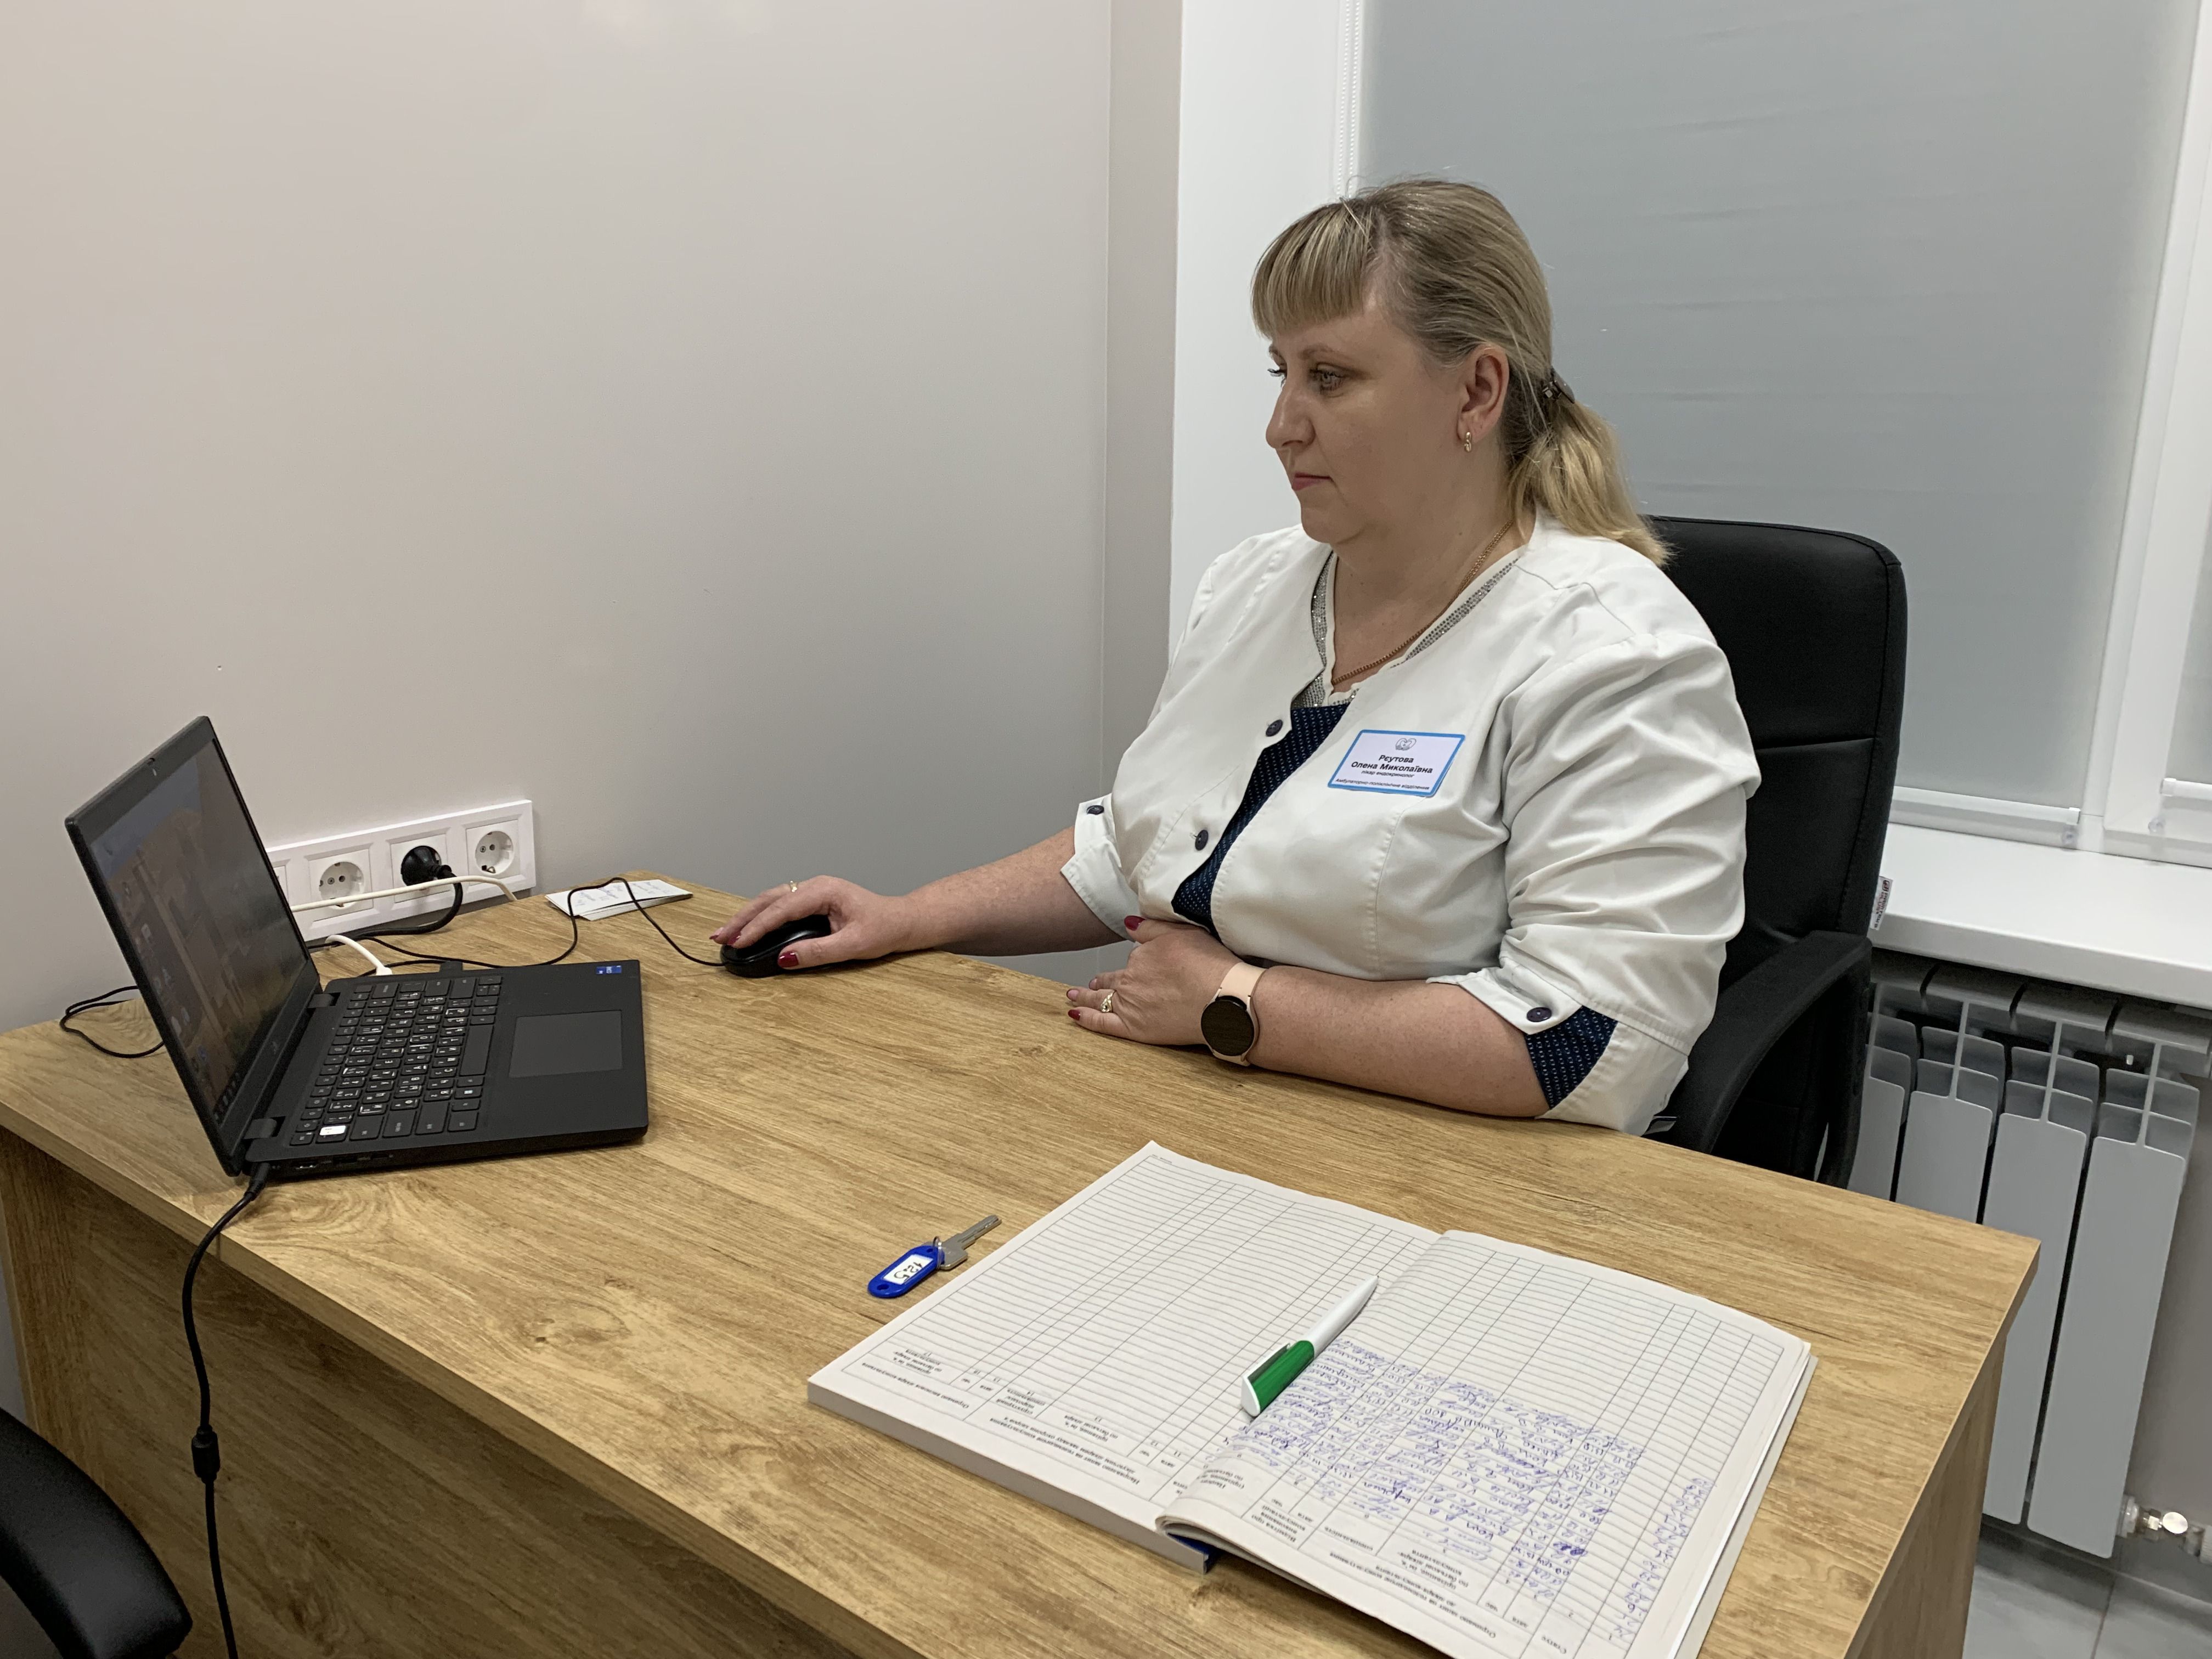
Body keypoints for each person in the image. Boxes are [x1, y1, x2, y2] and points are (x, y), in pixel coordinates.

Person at [715, 180, 1757, 1135]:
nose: (1279, 426)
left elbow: (1593, 1044)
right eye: (1281, 373)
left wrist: (1237, 1004)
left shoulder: (1612, 652)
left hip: (1460, 1174)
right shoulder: (1257, 588)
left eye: (1331, 378)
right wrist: (907, 918)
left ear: (1477, 393)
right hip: (1212, 1113)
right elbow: (1146, 846)